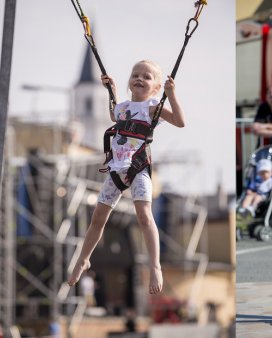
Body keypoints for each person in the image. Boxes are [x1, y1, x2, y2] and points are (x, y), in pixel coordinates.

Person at [67, 60, 185, 294]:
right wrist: (111, 89)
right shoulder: (122, 107)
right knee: (98, 218)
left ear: (156, 87)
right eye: (135, 75)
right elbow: (115, 114)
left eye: (146, 77)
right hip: (116, 171)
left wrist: (171, 94)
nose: (139, 79)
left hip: (138, 169)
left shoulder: (153, 108)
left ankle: (155, 265)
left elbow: (180, 122)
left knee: (144, 216)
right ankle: (83, 259)